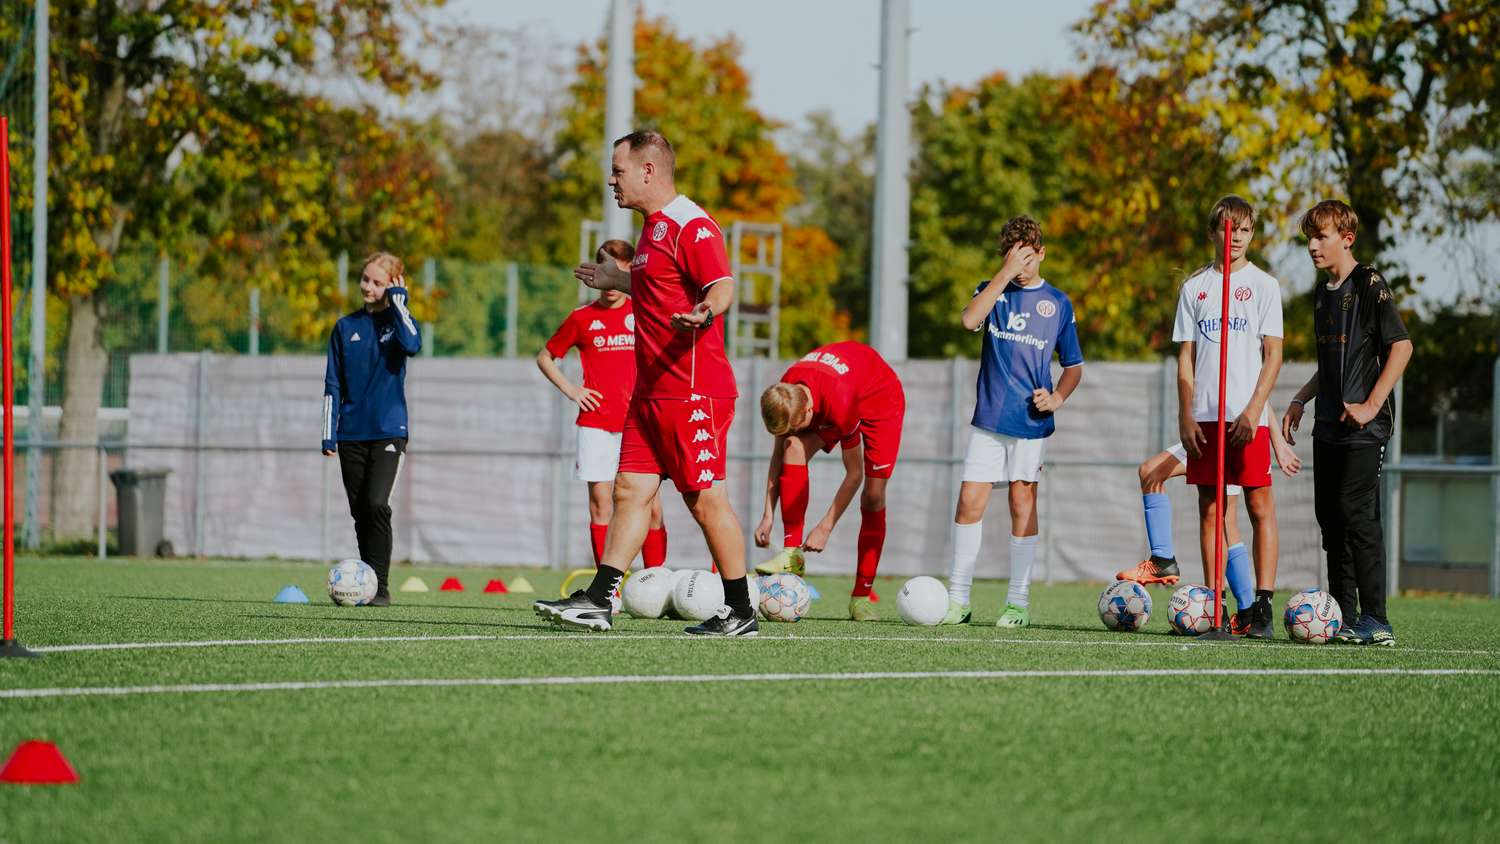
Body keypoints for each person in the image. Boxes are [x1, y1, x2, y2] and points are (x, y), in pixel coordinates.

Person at [533, 130, 756, 636]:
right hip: (651, 391)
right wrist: (615, 281)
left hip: (693, 389)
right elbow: (657, 284)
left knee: (704, 500)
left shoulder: (691, 225)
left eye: (618, 170)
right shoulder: (653, 231)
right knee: (629, 490)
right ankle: (599, 598)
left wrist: (706, 310)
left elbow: (720, 284)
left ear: (648, 170)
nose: (612, 180)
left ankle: (741, 610)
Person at [943, 215, 1084, 628]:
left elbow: (1074, 366)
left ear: (1041, 253)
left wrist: (1057, 396)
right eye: (1014, 257)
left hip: (1030, 421)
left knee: (1022, 501)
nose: (1022, 266)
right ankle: (958, 599)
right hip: (989, 419)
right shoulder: (992, 291)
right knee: (969, 500)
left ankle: (1017, 603)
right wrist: (1003, 274)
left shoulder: (1057, 302)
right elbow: (970, 321)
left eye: (1028, 257)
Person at [1282, 199, 1411, 646]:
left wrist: (1373, 405)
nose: (1313, 246)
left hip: (1364, 429)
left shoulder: (1369, 282)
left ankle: (1377, 620)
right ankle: (1343, 615)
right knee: (1330, 518)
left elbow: (1401, 347)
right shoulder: (1322, 293)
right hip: (1328, 426)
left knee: (1358, 517)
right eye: (1310, 239)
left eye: (1321, 237)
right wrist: (1300, 399)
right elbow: (1330, 363)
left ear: (1346, 238)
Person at [1171, 195, 1284, 638]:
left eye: (1242, 230)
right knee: (1210, 508)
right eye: (1225, 228)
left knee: (1258, 505)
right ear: (1213, 232)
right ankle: (1216, 607)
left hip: (1245, 416)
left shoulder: (1263, 286)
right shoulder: (1195, 287)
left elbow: (1273, 354)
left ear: (1251, 234)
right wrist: (1185, 414)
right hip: (1204, 416)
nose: (1233, 237)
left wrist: (1254, 408)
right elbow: (1186, 357)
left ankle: (1263, 607)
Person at [537, 239, 667, 571]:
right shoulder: (582, 318)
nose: (611, 281)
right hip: (596, 424)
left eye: (620, 272)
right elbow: (546, 357)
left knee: (651, 505)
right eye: (606, 269)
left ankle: (654, 580)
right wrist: (572, 390)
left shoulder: (644, 312)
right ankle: (609, 591)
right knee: (600, 505)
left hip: (639, 423)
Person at [753, 341, 907, 621]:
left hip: (880, 397)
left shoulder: (840, 401)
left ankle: (861, 598)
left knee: (873, 496)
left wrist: (825, 526)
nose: (795, 432)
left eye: (797, 428)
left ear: (809, 414)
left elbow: (854, 473)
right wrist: (767, 514)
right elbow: (778, 455)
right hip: (839, 389)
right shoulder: (786, 391)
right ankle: (792, 554)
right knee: (792, 447)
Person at [1117, 425, 1303, 631]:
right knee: (1226, 521)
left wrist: (1276, 439)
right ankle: (1246, 612)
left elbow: (1261, 394)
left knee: (1151, 472)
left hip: (1223, 430)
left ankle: (1163, 558)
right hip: (1221, 428)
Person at [321, 252, 422, 606]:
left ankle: (380, 585)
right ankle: (365, 583)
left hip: (389, 431)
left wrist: (399, 302)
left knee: (377, 503)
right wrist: (328, 432)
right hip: (350, 433)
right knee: (360, 510)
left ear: (393, 285)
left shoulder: (399, 323)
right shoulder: (345, 327)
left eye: (377, 282)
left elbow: (413, 344)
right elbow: (332, 383)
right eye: (365, 279)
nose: (367, 286)